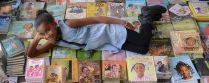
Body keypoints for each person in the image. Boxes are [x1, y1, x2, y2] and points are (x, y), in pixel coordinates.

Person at [27, 6, 167, 58]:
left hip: (110, 31)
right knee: (143, 50)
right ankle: (145, 19)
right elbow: (32, 54)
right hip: (108, 42)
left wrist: (121, 22)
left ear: (54, 23)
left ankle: (147, 15)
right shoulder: (54, 41)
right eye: (43, 34)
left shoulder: (68, 24)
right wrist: (36, 40)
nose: (47, 35)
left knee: (143, 41)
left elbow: (96, 19)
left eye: (48, 30)